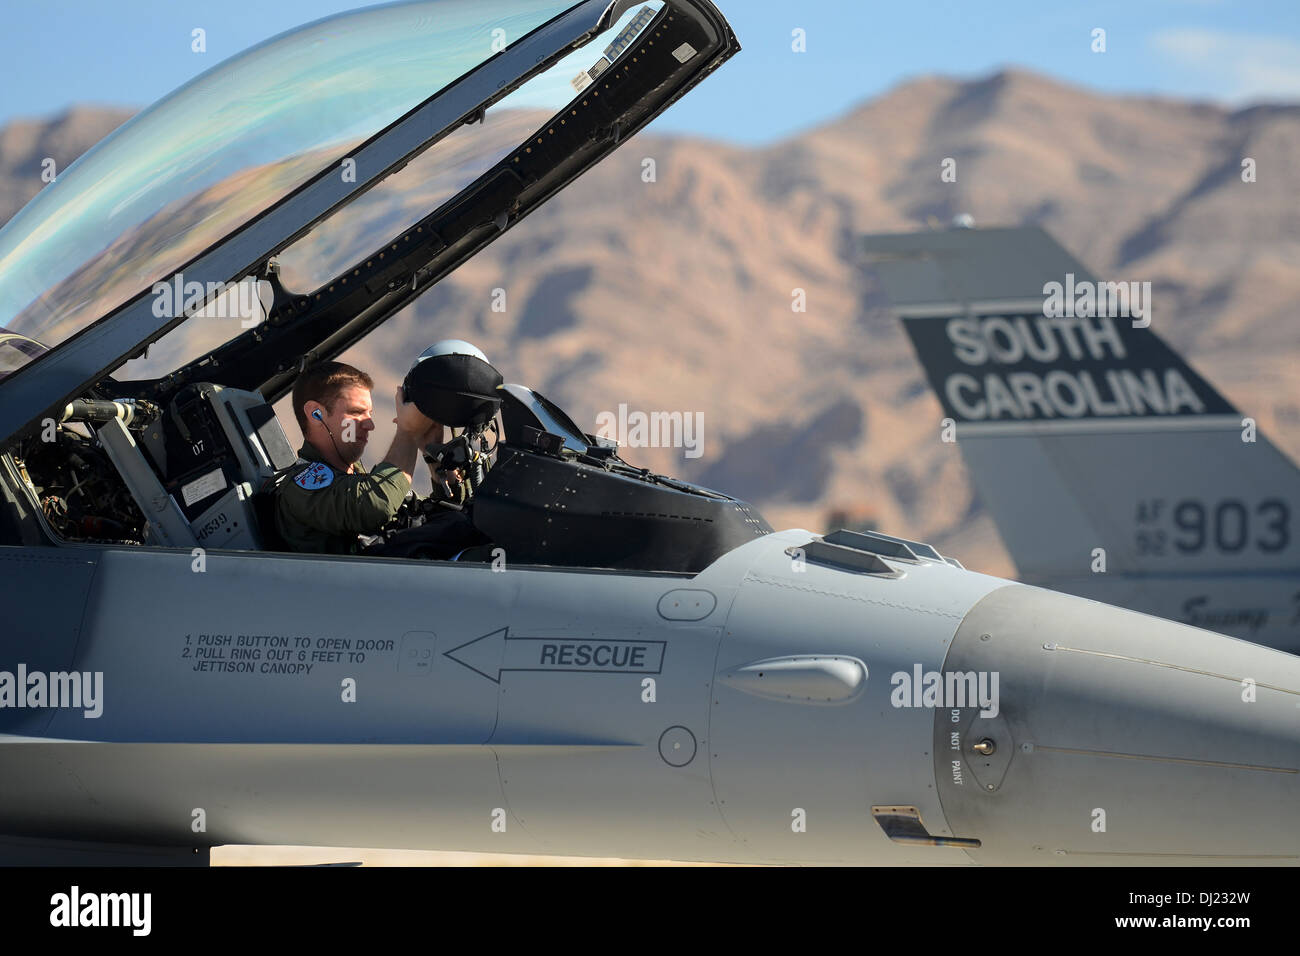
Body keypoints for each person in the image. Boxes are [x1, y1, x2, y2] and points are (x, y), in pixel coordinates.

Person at [274, 361, 441, 554]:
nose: (370, 425)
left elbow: (434, 515)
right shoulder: (301, 486)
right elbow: (375, 506)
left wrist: (434, 457)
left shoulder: (359, 480)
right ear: (316, 414)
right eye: (356, 412)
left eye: (369, 413)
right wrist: (409, 432)